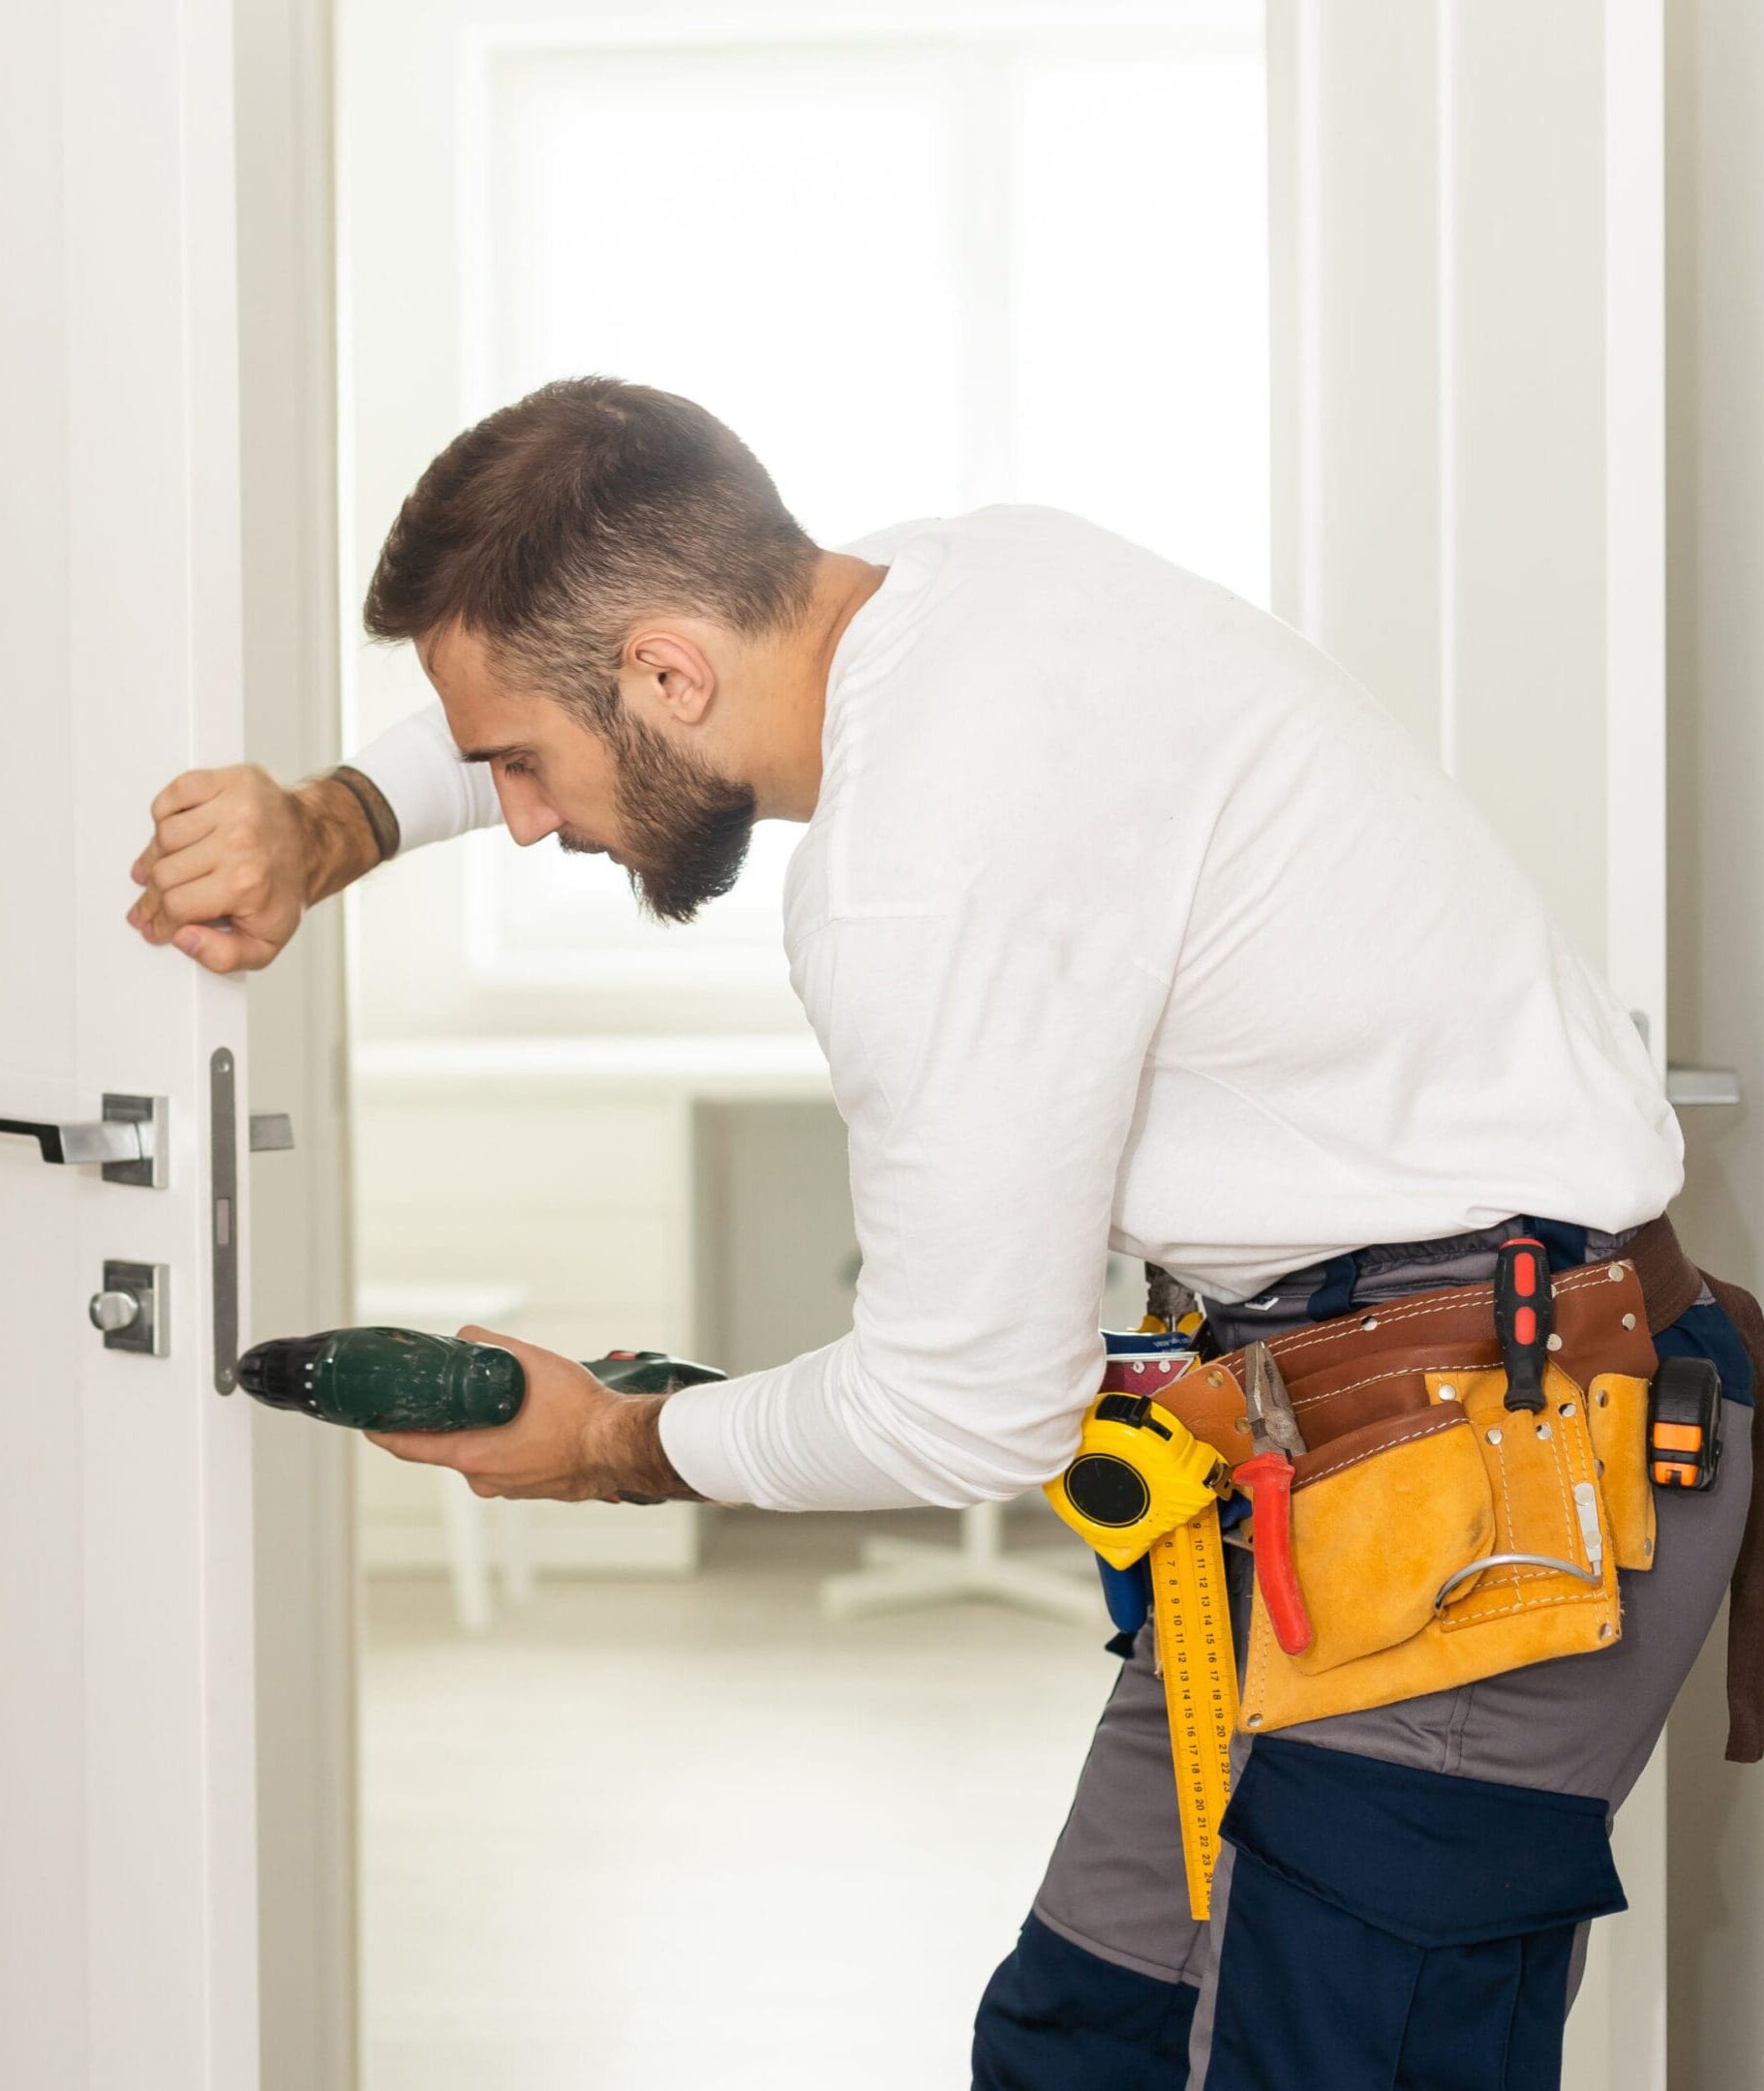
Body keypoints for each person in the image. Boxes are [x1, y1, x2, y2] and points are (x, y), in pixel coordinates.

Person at [124, 376, 1759, 2091]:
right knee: (1078, 2045)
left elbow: (971, 1404)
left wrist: (612, 1442)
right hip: (1313, 1473)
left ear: (673, 670)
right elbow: (562, 685)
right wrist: (338, 822)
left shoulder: (919, 874)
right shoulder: (963, 584)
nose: (525, 818)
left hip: (1490, 1494)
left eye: (522, 769)